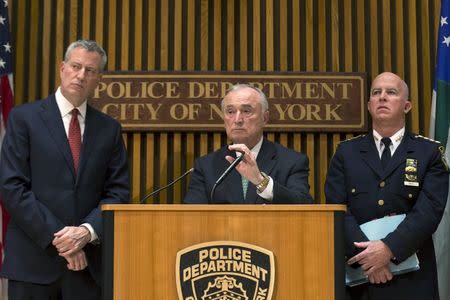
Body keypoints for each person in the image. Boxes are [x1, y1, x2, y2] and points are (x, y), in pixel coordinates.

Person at [0, 40, 130, 299]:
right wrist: (62, 240)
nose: (81, 75)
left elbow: (118, 193)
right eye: (76, 66)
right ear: (62, 68)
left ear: (98, 80)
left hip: (88, 268)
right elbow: (12, 186)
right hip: (32, 264)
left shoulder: (109, 129)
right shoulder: (24, 118)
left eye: (90, 71)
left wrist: (85, 232)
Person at [325, 72, 449, 299]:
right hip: (358, 277)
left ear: (407, 106)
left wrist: (388, 249)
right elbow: (336, 210)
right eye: (376, 93)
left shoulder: (428, 152)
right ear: (369, 105)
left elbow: (429, 211)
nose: (382, 97)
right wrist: (368, 258)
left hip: (413, 278)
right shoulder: (346, 153)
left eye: (391, 92)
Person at [184, 84, 313, 204]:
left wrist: (261, 182)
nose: (237, 120)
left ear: (265, 118)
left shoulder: (292, 162)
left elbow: (305, 206)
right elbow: (191, 216)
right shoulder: (205, 166)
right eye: (230, 112)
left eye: (246, 111)